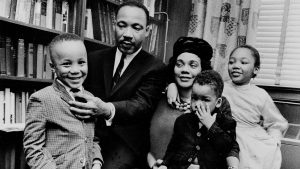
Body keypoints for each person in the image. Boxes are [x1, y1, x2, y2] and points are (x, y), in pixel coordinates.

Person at [68, 1, 166, 169]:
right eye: (122, 25)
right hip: (87, 136)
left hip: (126, 144)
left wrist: (107, 109)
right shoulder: (93, 59)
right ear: (114, 25)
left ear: (147, 31)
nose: (127, 34)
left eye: (136, 27)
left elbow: (141, 104)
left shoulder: (156, 67)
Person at [150, 37, 239, 169]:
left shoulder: (218, 104)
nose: (184, 70)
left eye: (193, 65)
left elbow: (229, 144)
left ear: (203, 69)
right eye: (179, 64)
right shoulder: (160, 96)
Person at [23, 33, 103, 169]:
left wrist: (97, 162)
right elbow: (33, 149)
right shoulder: (41, 99)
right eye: (66, 64)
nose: (76, 70)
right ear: (53, 66)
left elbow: (91, 138)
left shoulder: (90, 98)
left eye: (81, 62)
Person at [223, 45, 288, 169]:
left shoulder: (260, 95)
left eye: (243, 62)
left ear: (256, 69)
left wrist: (274, 140)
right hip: (225, 135)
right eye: (232, 62)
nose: (236, 66)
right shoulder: (221, 88)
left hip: (251, 139)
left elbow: (277, 123)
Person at [157, 70, 237, 169]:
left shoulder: (226, 122)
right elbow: (173, 148)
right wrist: (165, 164)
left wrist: (211, 125)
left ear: (218, 102)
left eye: (205, 99)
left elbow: (227, 148)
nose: (197, 104)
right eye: (194, 98)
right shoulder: (182, 121)